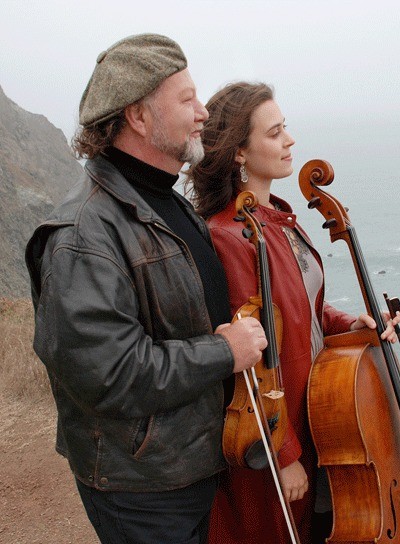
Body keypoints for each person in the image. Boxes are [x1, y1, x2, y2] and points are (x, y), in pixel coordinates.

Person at [25, 34, 268, 544]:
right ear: (138, 116)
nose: (203, 112)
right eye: (187, 100)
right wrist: (223, 352)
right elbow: (110, 375)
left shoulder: (167, 202)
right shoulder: (83, 234)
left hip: (188, 463)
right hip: (143, 485)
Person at [188, 82, 400, 544]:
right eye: (275, 132)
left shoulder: (280, 218)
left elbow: (305, 310)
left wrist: (349, 323)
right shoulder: (230, 236)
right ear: (239, 153)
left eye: (286, 128)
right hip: (274, 436)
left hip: (314, 421)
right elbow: (252, 359)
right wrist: (282, 454)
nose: (290, 142)